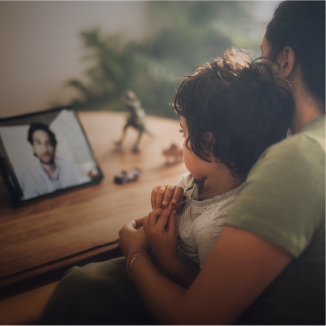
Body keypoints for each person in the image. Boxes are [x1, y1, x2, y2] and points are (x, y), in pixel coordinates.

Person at [36, 47, 292, 326]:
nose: (181, 140)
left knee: (80, 287)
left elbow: (204, 300)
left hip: (169, 287)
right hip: (157, 261)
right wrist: (168, 195)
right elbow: (188, 193)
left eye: (184, 133)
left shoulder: (217, 227)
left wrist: (162, 258)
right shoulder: (204, 179)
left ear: (208, 143)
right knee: (79, 282)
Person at [118, 0, 326, 325]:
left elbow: (193, 318)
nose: (256, 74)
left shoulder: (298, 159)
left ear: (286, 59)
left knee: (82, 287)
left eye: (263, 56)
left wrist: (135, 255)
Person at [23, 123, 82, 200]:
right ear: (33, 147)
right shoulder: (29, 177)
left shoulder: (70, 165)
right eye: (38, 143)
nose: (45, 149)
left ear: (54, 146)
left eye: (48, 143)